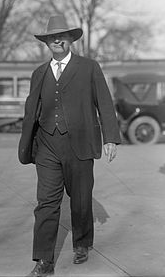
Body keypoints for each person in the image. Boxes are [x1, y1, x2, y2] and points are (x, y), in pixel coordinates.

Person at [18, 15, 121, 277]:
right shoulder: (39, 73)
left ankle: (82, 243)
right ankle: (44, 260)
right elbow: (32, 110)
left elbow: (105, 103)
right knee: (46, 203)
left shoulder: (89, 67)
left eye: (62, 36)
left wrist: (110, 136)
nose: (57, 40)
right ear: (47, 42)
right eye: (52, 37)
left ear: (71, 39)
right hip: (46, 147)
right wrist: (28, 142)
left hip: (80, 145)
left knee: (81, 200)